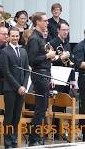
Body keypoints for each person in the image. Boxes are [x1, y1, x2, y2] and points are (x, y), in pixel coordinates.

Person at [26, 12, 56, 146]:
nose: (47, 23)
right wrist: (47, 56)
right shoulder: (34, 38)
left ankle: (36, 137)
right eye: (44, 21)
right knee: (40, 107)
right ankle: (34, 138)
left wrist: (50, 57)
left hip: (44, 74)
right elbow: (31, 60)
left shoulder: (41, 38)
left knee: (42, 107)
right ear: (37, 22)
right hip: (39, 75)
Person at [0, 28, 30, 148]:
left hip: (21, 89)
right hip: (10, 89)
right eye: (13, 36)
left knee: (17, 116)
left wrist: (23, 86)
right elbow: (6, 73)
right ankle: (7, 143)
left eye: (17, 36)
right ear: (8, 37)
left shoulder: (23, 51)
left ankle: (14, 140)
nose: (15, 38)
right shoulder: (5, 51)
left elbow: (27, 70)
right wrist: (18, 87)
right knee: (9, 116)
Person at [49, 20, 76, 139]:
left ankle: (60, 131)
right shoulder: (52, 43)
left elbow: (70, 64)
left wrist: (72, 79)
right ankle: (54, 132)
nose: (66, 32)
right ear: (58, 30)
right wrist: (61, 57)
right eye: (63, 30)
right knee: (56, 105)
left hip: (65, 77)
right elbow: (50, 60)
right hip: (56, 77)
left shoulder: (67, 43)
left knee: (63, 104)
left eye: (67, 30)